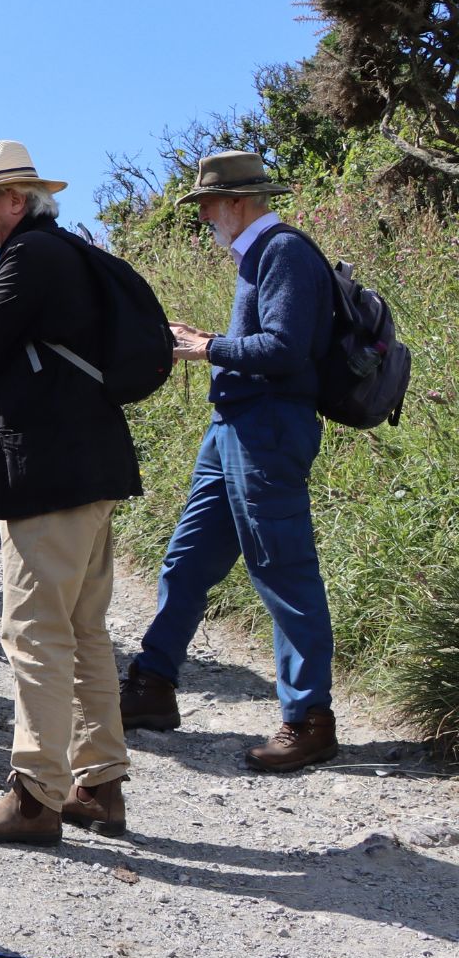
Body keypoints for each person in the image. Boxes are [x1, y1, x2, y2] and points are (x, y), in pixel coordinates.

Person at [0, 140, 142, 843]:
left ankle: (34, 798)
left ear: (15, 200)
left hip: (52, 473)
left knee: (34, 634)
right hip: (89, 466)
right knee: (82, 630)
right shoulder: (64, 252)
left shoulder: (27, 257)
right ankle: (100, 786)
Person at [121, 151, 339, 772]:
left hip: (266, 428)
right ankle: (152, 686)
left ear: (237, 203)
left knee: (282, 569)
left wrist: (207, 346)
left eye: (209, 206)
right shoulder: (262, 257)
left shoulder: (284, 252)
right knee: (187, 560)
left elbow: (286, 349)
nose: (206, 218)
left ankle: (309, 719)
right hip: (236, 427)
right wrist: (214, 345)